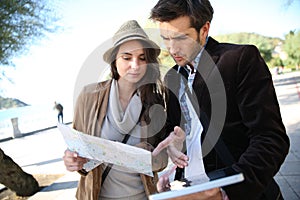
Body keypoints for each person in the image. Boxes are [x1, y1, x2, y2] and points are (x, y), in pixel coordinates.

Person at [149, 0, 290, 199]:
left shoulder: (239, 59)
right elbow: (184, 135)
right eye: (166, 39)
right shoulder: (172, 76)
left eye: (181, 38)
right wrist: (174, 162)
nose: (172, 49)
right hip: (189, 191)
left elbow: (271, 140)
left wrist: (225, 192)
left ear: (204, 29)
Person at [62, 20, 169, 200]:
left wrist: (148, 155)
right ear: (114, 60)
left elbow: (163, 159)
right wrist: (72, 159)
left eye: (142, 58)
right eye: (127, 57)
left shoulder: (155, 101)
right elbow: (76, 147)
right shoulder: (88, 96)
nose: (135, 65)